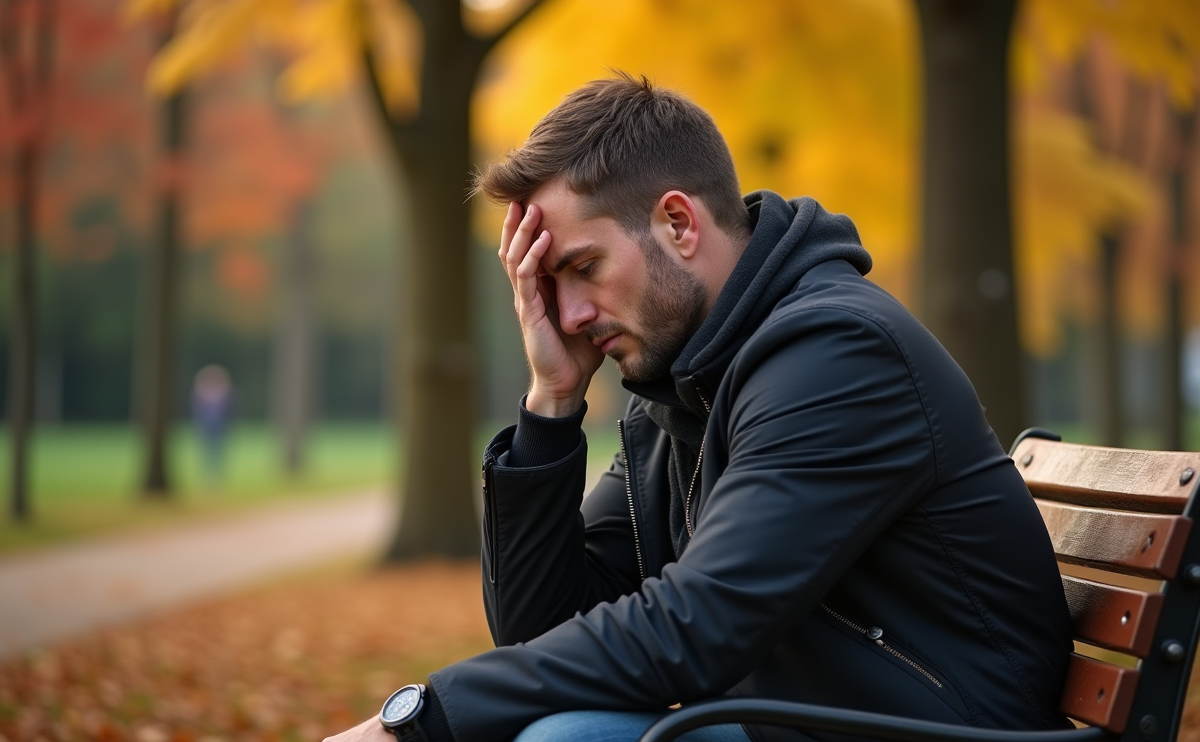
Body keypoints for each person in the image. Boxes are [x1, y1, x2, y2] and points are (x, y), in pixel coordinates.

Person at [325, 74, 1072, 742]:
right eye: (552, 287)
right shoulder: (683, 391)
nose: (574, 315)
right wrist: (551, 402)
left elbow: (699, 624)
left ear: (679, 224)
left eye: (583, 268)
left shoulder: (838, 355)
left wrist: (429, 717)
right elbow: (545, 631)